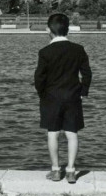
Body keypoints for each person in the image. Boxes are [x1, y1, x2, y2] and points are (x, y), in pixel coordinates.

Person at [34, 13, 92, 184]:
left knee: (53, 134)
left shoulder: (45, 52)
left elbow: (39, 78)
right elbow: (87, 74)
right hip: (73, 96)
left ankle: (55, 170)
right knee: (72, 134)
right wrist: (83, 91)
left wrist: (42, 93)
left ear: (48, 31)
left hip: (51, 97)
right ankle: (71, 171)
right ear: (68, 30)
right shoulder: (78, 49)